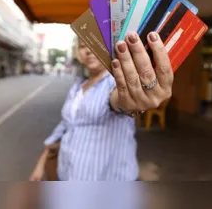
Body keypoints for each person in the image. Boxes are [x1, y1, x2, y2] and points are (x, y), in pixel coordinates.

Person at [30, 32, 173, 181]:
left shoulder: (115, 82)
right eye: (82, 46)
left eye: (94, 43)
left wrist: (136, 97)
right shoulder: (78, 86)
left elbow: (119, 100)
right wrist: (41, 164)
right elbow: (65, 125)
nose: (88, 50)